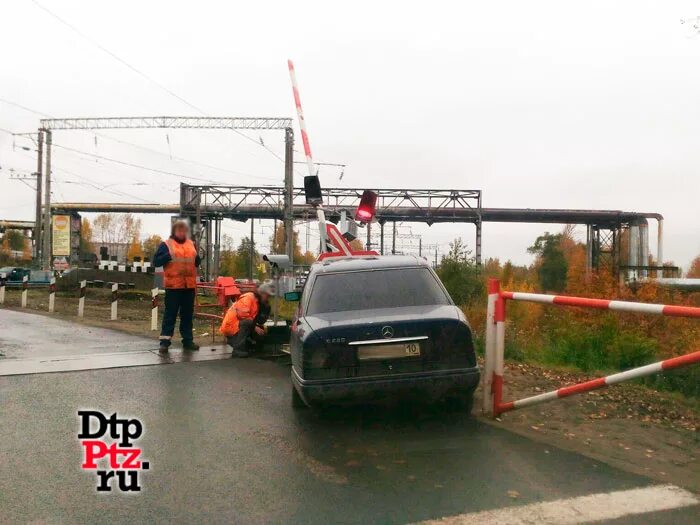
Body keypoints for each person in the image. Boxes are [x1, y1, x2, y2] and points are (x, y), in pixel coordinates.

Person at [153, 219, 201, 353]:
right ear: (174, 231)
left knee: (187, 315)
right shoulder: (166, 245)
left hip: (189, 287)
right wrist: (166, 257)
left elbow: (196, 262)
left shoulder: (191, 244)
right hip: (173, 287)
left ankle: (188, 341)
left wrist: (198, 260)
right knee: (170, 315)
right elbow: (156, 262)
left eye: (184, 230)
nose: (182, 233)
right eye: (179, 230)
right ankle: (164, 342)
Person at [220, 282, 274, 357]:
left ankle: (249, 346)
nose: (268, 298)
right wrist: (255, 327)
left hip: (239, 327)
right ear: (262, 293)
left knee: (259, 328)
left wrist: (265, 309)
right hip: (232, 328)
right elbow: (242, 315)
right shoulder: (248, 298)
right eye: (267, 296)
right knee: (248, 323)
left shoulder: (258, 302)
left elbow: (260, 321)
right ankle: (238, 350)